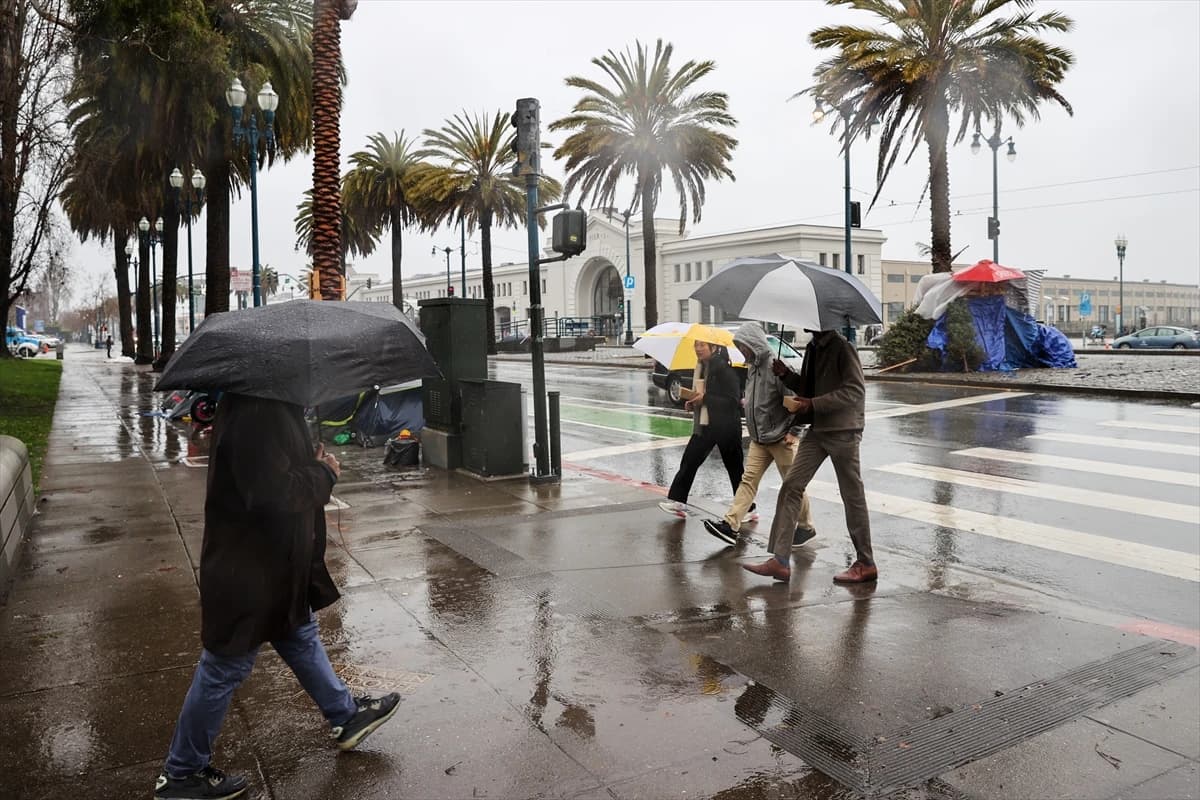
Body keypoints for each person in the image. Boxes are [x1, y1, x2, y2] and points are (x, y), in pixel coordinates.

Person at [155, 393, 400, 800]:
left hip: (270, 566)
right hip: (251, 569)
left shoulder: (265, 402)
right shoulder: (256, 411)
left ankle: (345, 716)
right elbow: (271, 492)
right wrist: (322, 473)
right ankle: (182, 771)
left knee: (298, 634)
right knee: (224, 665)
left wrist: (311, 460)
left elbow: (274, 472)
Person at [742, 328, 876, 585]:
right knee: (791, 485)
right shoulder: (814, 347)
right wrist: (787, 376)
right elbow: (808, 387)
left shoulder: (843, 348)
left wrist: (813, 404)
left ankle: (866, 562)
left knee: (852, 495)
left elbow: (854, 391)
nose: (804, 323)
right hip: (818, 430)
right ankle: (780, 561)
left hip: (843, 431)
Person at [702, 323, 816, 546]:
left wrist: (794, 432)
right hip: (759, 438)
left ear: (754, 343)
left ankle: (806, 526)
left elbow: (796, 401)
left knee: (793, 485)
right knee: (748, 481)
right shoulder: (752, 366)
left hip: (781, 438)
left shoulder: (776, 367)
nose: (741, 350)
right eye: (739, 346)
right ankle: (731, 524)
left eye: (744, 345)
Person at [658, 340, 744, 518]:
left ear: (714, 348)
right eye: (696, 345)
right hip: (706, 426)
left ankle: (748, 509)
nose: (698, 349)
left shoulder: (725, 371)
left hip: (727, 427)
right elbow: (703, 397)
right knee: (689, 461)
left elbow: (732, 402)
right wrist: (693, 402)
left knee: (735, 470)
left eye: (702, 345)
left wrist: (705, 399)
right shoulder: (702, 368)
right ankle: (677, 501)